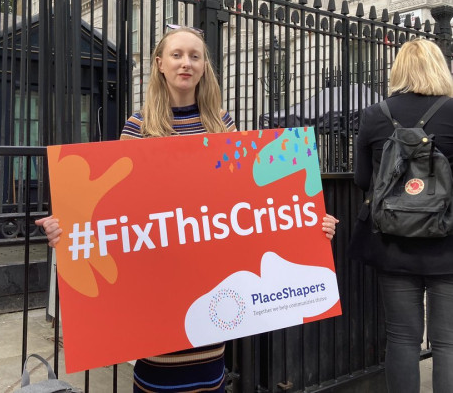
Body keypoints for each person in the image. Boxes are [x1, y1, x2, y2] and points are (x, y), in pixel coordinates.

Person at [37, 25, 339, 392]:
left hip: (210, 283)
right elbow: (111, 213)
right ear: (160, 64)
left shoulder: (223, 127)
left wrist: (308, 223)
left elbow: (254, 203)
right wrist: (65, 229)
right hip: (158, 284)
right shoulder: (138, 127)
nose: (186, 63)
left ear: (204, 67)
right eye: (177, 55)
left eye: (195, 56)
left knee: (209, 376)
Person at [350, 39, 453, 393]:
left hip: (392, 242)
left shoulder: (375, 114)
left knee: (403, 338)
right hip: (448, 243)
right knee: (448, 343)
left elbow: (363, 180)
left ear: (397, 70)